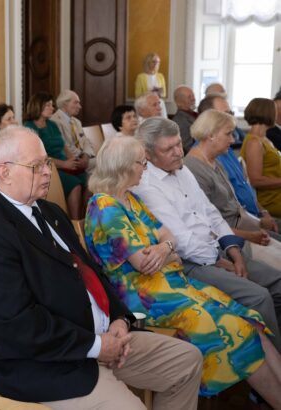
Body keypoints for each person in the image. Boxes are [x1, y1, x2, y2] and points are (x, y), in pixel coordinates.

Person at [0, 125, 203, 409]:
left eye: (47, 163)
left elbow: (92, 273)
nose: (49, 172)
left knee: (187, 361)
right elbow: (20, 326)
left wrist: (120, 320)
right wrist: (98, 345)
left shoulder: (49, 212)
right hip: (49, 364)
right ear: (5, 172)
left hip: (101, 339)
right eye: (37, 166)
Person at [85, 136, 281, 404]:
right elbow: (143, 263)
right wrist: (167, 251)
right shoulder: (105, 206)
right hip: (142, 297)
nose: (145, 167)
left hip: (170, 283)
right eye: (141, 162)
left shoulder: (130, 198)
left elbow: (169, 239)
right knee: (233, 328)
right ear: (123, 167)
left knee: (248, 319)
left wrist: (163, 249)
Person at [132, 117, 281, 352]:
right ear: (148, 155)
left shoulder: (181, 170)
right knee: (259, 297)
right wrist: (222, 261)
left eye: (179, 144)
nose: (178, 152)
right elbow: (182, 241)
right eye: (168, 149)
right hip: (188, 262)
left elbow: (211, 214)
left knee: (277, 282)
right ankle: (271, 376)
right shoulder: (146, 184)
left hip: (216, 250)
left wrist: (234, 252)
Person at [185, 109, 281, 268]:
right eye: (228, 134)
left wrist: (259, 220)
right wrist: (250, 235)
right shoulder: (193, 168)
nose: (233, 139)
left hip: (244, 227)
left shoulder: (215, 161)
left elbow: (235, 205)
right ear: (211, 135)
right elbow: (207, 225)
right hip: (231, 241)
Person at [197, 95, 268, 222]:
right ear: (208, 120)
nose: (231, 118)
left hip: (255, 216)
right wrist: (258, 223)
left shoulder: (226, 148)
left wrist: (263, 212)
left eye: (231, 113)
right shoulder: (205, 156)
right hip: (240, 223)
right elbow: (223, 212)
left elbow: (245, 187)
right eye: (225, 114)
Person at [24, 92, 88, 219]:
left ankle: (84, 219)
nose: (52, 108)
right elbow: (38, 156)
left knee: (89, 182)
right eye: (48, 105)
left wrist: (72, 159)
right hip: (47, 167)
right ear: (38, 106)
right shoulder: (29, 127)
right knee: (74, 184)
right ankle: (74, 224)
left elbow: (63, 145)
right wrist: (64, 164)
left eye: (52, 105)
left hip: (64, 163)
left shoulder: (52, 124)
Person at [241, 98, 281, 217]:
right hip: (271, 200)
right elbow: (256, 180)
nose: (277, 114)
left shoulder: (265, 139)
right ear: (267, 113)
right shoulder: (254, 143)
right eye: (275, 110)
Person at [50, 90, 96, 173]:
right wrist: (81, 157)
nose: (80, 106)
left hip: (82, 158)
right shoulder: (54, 121)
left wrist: (85, 156)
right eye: (76, 103)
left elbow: (86, 141)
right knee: (105, 163)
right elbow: (64, 146)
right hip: (69, 160)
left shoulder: (76, 122)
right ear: (65, 104)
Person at [134, 53, 167, 117]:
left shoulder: (161, 76)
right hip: (146, 105)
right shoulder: (141, 77)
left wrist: (159, 92)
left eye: (158, 62)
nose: (156, 64)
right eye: (154, 62)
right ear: (148, 62)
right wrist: (151, 92)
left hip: (159, 103)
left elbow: (164, 94)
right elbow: (137, 95)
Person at [171, 85, 197, 153]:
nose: (193, 99)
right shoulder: (179, 121)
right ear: (179, 102)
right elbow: (188, 148)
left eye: (193, 95)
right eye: (189, 97)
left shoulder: (195, 114)